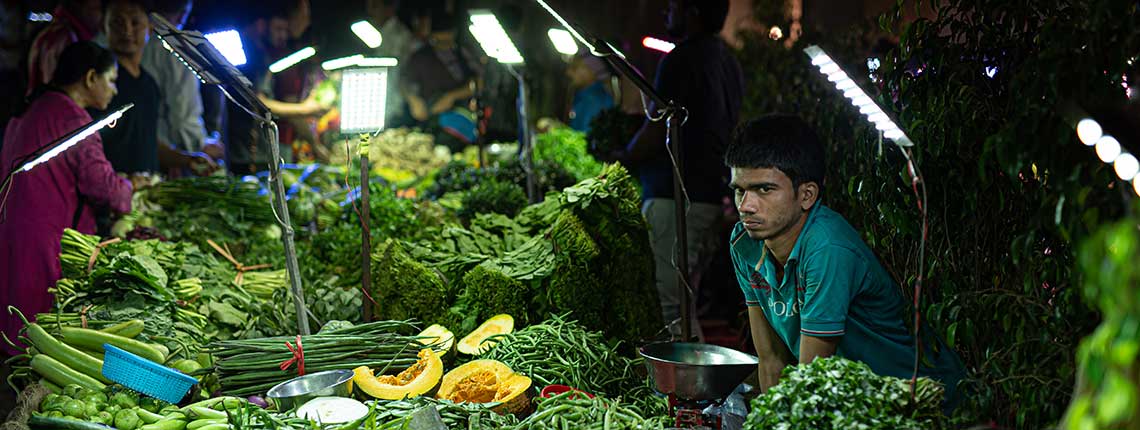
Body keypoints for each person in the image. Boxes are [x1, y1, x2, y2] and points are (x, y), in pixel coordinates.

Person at [726, 114, 965, 411]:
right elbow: (771, 359)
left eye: (764, 189)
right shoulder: (744, 243)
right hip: (848, 402)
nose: (746, 206)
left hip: (917, 403)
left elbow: (811, 378)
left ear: (806, 195)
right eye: (740, 190)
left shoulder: (827, 248)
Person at [618, 0, 743, 338]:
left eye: (673, 5)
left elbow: (658, 127)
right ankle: (691, 384)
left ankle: (689, 387)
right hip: (708, 199)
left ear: (693, 11)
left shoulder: (681, 59)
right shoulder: (728, 60)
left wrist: (623, 159)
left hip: (676, 200)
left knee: (670, 304)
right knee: (683, 302)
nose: (666, 12)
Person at [0, 41, 133, 355]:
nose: (114, 91)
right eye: (111, 80)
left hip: (12, 230)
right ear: (90, 78)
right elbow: (101, 186)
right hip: (44, 238)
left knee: (13, 321)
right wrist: (127, 188)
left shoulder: (34, 106)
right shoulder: (73, 120)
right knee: (36, 335)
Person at [93, 0, 214, 175]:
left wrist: (188, 159)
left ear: (150, 28)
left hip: (144, 191)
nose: (127, 31)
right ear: (104, 28)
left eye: (135, 22)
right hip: (112, 189)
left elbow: (148, 143)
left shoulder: (148, 84)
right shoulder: (99, 84)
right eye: (117, 23)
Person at [225, 0, 324, 175]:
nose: (283, 36)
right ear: (262, 25)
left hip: (263, 149)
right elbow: (259, 101)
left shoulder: (269, 58)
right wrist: (304, 110)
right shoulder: (254, 57)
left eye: (284, 30)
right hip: (245, 152)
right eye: (278, 29)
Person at [141, 0, 223, 164]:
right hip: (170, 154)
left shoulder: (138, 41)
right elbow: (183, 113)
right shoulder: (176, 50)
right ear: (183, 13)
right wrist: (200, 145)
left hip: (142, 146)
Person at [401, 9, 482, 149]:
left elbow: (479, 83)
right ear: (432, 35)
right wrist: (413, 100)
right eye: (439, 40)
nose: (444, 43)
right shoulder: (420, 56)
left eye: (448, 39)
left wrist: (450, 97)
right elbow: (404, 82)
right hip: (430, 119)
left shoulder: (463, 54)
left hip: (462, 119)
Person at [25, 0, 103, 97]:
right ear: (78, 7)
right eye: (97, 9)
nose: (101, 16)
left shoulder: (67, 33)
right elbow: (52, 85)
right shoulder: (63, 37)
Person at [566, 54, 614, 133]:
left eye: (574, 68)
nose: (569, 72)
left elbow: (585, 139)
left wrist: (558, 130)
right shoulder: (584, 96)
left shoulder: (594, 100)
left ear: (591, 70)